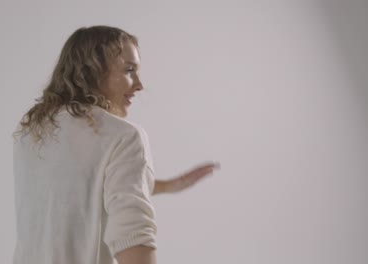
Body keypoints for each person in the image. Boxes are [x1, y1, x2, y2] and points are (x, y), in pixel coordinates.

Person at [12, 25, 220, 264]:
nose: (139, 84)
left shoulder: (32, 131)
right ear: (94, 71)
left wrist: (166, 185)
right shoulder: (123, 136)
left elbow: (80, 190)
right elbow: (132, 236)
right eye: (129, 70)